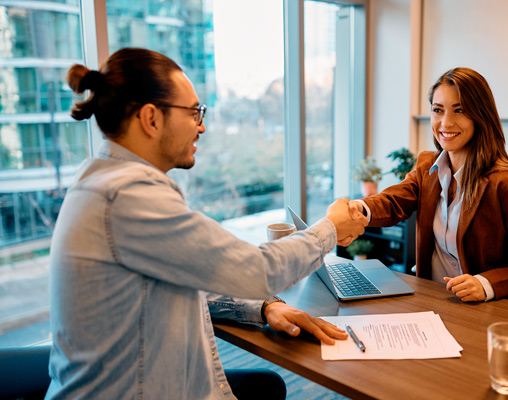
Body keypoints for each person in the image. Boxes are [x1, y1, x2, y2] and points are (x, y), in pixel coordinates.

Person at [45, 47, 368, 400]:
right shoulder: (129, 196)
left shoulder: (102, 181)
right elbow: (259, 270)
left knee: (267, 386)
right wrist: (331, 229)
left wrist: (264, 306)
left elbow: (191, 273)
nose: (202, 125)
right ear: (151, 118)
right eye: (194, 112)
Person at [348, 67, 508, 307]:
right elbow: (393, 201)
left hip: (499, 309)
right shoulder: (428, 167)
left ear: (480, 115)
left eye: (460, 110)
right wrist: (355, 209)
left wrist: (485, 283)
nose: (445, 122)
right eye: (438, 110)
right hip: (439, 303)